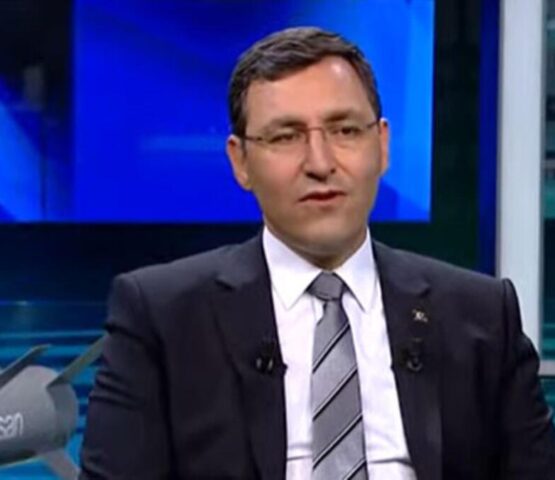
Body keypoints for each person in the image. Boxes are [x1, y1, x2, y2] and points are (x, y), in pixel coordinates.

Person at [79, 27, 555, 480]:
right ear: (240, 161)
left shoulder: (481, 315)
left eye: (345, 130)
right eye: (285, 136)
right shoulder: (163, 318)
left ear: (382, 145)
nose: (321, 163)